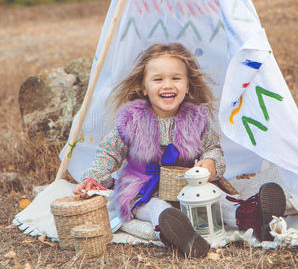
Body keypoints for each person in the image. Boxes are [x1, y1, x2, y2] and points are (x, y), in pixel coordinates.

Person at [74, 43, 286, 258]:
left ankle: (252, 217)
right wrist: (93, 178)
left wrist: (210, 163)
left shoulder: (197, 119)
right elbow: (109, 152)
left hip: (188, 183)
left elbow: (213, 149)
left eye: (176, 78)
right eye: (158, 79)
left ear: (187, 86)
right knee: (153, 208)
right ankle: (175, 232)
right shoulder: (132, 120)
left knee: (216, 200)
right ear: (144, 87)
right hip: (144, 187)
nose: (167, 85)